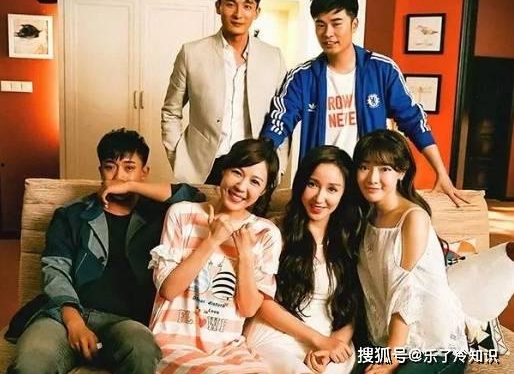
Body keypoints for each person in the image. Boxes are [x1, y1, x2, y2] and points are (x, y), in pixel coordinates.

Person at [6, 128, 204, 374]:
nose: (119, 176)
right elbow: (55, 272)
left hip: (125, 323)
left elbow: (196, 198)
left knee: (142, 350)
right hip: (63, 318)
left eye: (129, 168)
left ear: (144, 173)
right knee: (31, 364)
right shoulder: (72, 215)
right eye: (110, 167)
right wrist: (74, 322)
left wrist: (132, 187)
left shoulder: (159, 215)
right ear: (100, 170)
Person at [260, 0, 465, 206]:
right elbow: (280, 121)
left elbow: (414, 120)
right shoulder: (303, 76)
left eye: (336, 23)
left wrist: (441, 172)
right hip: (321, 185)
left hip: (368, 184)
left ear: (354, 24)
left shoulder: (382, 70)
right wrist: (259, 164)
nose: (327, 33)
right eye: (320, 24)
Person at [149, 138, 283, 374]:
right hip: (172, 342)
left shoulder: (265, 233)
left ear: (263, 191)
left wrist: (245, 254)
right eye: (237, 172)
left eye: (255, 181)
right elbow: (168, 290)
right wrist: (212, 241)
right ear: (223, 170)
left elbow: (249, 309)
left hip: (227, 348)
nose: (241, 186)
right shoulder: (182, 213)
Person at [353, 129, 468, 374]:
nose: (372, 178)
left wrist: (390, 358)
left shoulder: (413, 218)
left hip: (431, 345)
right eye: (364, 167)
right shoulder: (365, 217)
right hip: (380, 341)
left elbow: (407, 292)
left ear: (402, 172)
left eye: (384, 168)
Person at [161, 0, 288, 185]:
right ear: (218, 6)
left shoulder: (273, 57)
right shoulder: (191, 53)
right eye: (230, 4)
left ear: (257, 12)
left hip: (253, 167)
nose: (238, 14)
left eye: (247, 6)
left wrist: (278, 167)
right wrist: (179, 159)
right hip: (202, 168)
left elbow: (282, 116)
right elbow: (171, 111)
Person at [245, 145, 362, 374]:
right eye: (312, 184)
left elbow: (352, 308)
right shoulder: (275, 231)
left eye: (332, 189)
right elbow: (261, 302)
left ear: (344, 194)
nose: (319, 197)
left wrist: (334, 345)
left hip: (330, 340)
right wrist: (319, 341)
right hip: (277, 335)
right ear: (301, 184)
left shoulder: (350, 239)